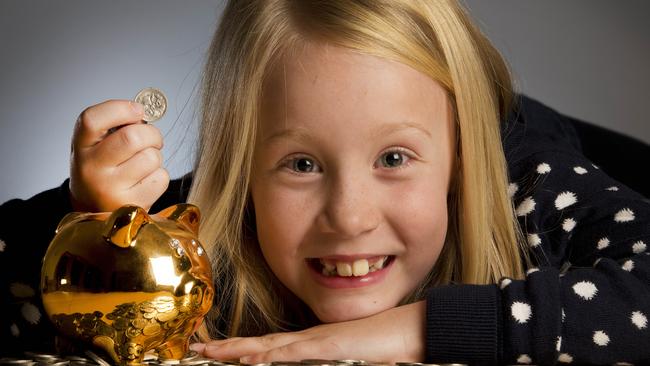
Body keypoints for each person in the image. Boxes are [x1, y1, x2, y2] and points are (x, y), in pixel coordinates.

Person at [1, 0, 649, 364]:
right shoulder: (197, 229)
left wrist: (416, 331)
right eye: (302, 165)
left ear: (460, 161)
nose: (349, 216)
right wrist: (86, 225)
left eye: (394, 158)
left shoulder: (525, 179)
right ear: (243, 168)